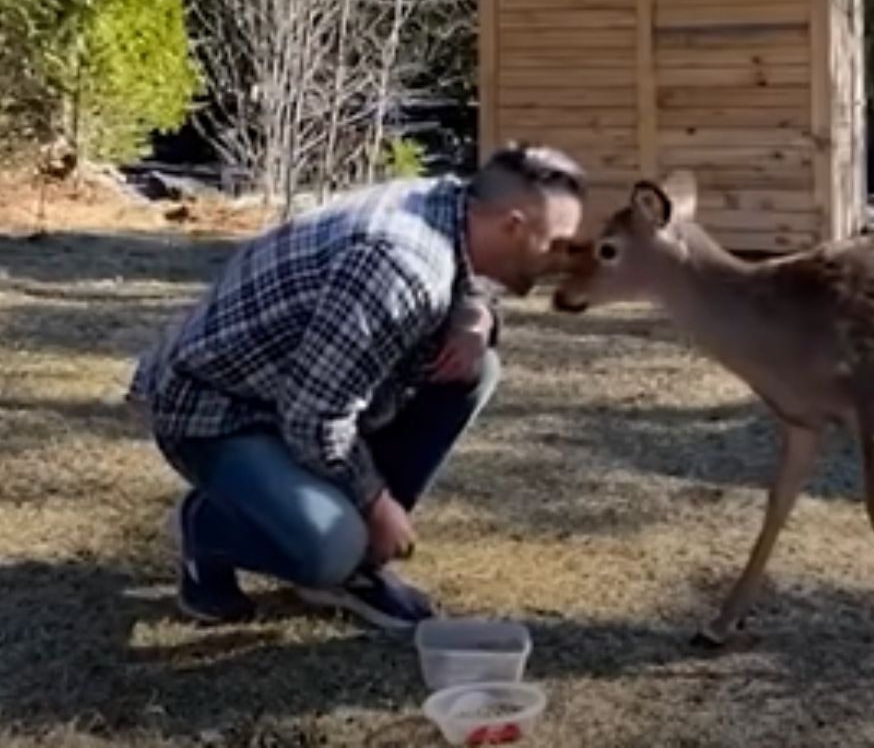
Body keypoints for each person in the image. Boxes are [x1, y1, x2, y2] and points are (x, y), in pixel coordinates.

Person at [126, 144, 586, 632]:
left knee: (475, 369)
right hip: (215, 409)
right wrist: (375, 505)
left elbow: (473, 279)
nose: (562, 259)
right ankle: (207, 527)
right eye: (554, 243)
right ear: (512, 225)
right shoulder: (401, 267)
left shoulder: (449, 204)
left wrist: (476, 319)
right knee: (330, 546)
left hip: (292, 389)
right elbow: (315, 419)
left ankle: (353, 565)